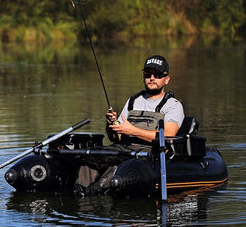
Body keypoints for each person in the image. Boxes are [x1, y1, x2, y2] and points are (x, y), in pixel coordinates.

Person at [74, 54, 185, 195]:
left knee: (119, 165)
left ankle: (98, 192)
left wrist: (132, 130)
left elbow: (168, 137)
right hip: (123, 148)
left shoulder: (173, 105)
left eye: (157, 75)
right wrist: (111, 125)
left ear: (166, 79)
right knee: (92, 157)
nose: (152, 78)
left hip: (150, 153)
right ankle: (79, 191)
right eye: (148, 74)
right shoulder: (133, 101)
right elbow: (116, 137)